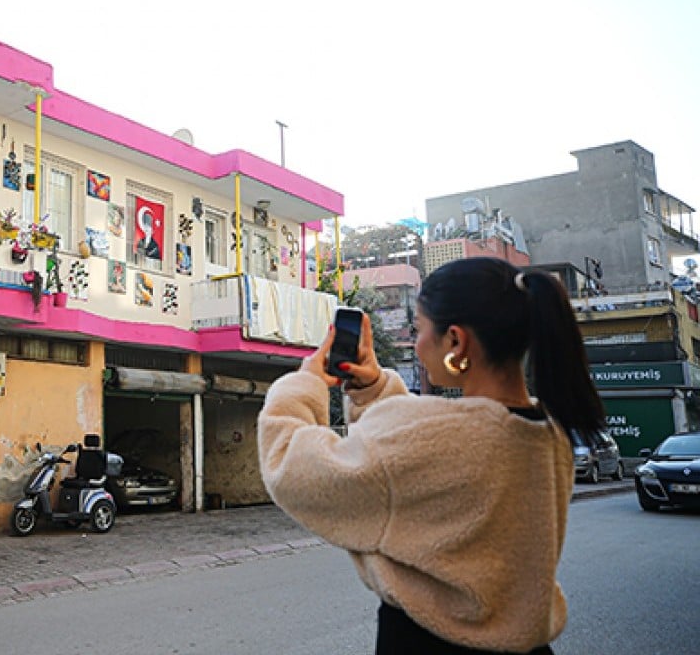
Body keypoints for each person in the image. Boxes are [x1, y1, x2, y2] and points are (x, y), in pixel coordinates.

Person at [258, 257, 604, 654]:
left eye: (419, 328)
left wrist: (305, 383)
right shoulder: (549, 433)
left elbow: (290, 465)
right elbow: (415, 469)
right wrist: (374, 391)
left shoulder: (436, 436)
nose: (417, 343)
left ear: (455, 341)